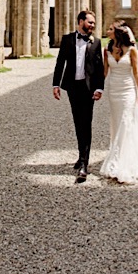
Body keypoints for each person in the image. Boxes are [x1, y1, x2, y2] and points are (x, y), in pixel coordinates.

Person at [98, 23, 138, 184]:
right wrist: (98, 89)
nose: (107, 31)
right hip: (114, 90)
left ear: (117, 33)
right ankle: (117, 152)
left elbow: (137, 73)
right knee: (117, 122)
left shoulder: (131, 50)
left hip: (127, 90)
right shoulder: (107, 49)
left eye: (110, 29)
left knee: (126, 121)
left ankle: (124, 159)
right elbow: (104, 72)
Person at [53, 9, 104, 183]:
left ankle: (84, 163)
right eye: (90, 22)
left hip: (88, 88)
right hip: (72, 87)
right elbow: (60, 62)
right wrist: (56, 84)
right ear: (81, 21)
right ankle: (81, 154)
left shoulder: (96, 42)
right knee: (77, 122)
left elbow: (99, 68)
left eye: (94, 23)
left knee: (86, 123)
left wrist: (99, 88)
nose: (92, 26)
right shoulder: (67, 40)